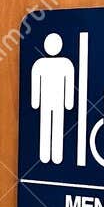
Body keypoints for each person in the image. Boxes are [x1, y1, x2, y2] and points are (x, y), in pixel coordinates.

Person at [30, 32, 75, 164]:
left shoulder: (65, 64)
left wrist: (69, 102)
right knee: (48, 126)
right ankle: (46, 155)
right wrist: (35, 102)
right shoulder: (40, 64)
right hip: (48, 101)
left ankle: (55, 155)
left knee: (55, 127)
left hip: (56, 101)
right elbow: (36, 84)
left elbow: (69, 83)